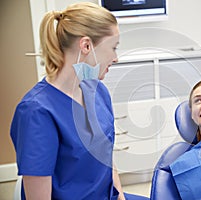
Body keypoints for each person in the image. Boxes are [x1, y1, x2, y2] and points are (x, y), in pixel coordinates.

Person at [10, 2, 148, 200]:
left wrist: (120, 197)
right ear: (86, 46)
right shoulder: (36, 112)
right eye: (113, 48)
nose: (116, 58)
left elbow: (107, 159)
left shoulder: (98, 91)